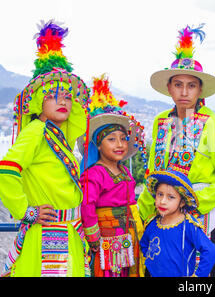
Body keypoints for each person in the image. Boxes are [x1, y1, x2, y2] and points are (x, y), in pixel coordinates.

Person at [137, 24, 215, 276]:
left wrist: (191, 201)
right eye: (178, 85)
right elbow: (153, 170)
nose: (184, 92)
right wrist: (142, 209)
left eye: (191, 85)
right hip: (162, 217)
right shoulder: (161, 121)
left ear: (200, 90)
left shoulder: (214, 125)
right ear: (169, 88)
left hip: (199, 219)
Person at [0, 20, 91, 277]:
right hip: (51, 234)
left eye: (68, 96)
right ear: (38, 101)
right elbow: (5, 171)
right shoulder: (37, 130)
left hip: (68, 229)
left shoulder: (58, 137)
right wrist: (28, 211)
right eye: (52, 95)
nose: (63, 100)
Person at [78, 74, 146, 277]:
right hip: (106, 238)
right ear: (98, 145)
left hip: (127, 235)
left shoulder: (124, 170)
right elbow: (87, 205)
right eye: (111, 139)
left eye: (124, 139)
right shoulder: (94, 173)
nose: (120, 144)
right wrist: (93, 237)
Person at [140, 170, 215, 277]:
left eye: (170, 197)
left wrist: (199, 275)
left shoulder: (189, 226)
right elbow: (144, 246)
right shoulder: (152, 224)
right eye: (160, 194)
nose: (162, 201)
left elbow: (210, 251)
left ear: (182, 202)